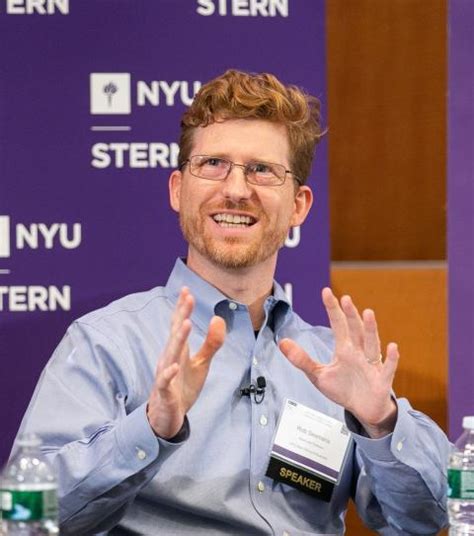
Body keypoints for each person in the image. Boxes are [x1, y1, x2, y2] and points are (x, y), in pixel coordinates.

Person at [11, 70, 449, 535]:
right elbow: (26, 513)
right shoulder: (108, 342)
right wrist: (150, 430)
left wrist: (381, 422)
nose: (237, 189)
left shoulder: (331, 364)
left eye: (262, 170)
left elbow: (423, 520)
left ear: (298, 206)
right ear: (179, 191)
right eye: (214, 163)